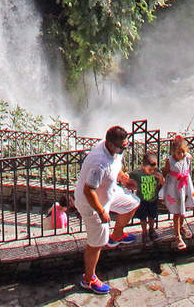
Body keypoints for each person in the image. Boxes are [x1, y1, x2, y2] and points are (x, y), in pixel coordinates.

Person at [72, 124, 140, 294]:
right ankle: (88, 280)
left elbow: (115, 168)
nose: (126, 148)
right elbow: (89, 191)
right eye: (123, 146)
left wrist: (123, 178)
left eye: (126, 145)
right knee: (96, 244)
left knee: (132, 203)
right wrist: (102, 212)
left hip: (108, 194)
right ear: (111, 144)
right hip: (92, 204)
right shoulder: (98, 163)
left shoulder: (112, 150)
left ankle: (116, 236)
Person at [161, 135, 194, 251]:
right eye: (178, 152)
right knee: (177, 212)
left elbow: (187, 169)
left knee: (183, 209)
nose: (180, 155)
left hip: (185, 186)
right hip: (174, 188)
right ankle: (177, 236)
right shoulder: (170, 161)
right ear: (173, 152)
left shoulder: (187, 158)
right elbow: (166, 172)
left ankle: (181, 226)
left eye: (182, 152)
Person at [133, 153, 163, 244]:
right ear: (143, 166)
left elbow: (162, 184)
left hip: (153, 199)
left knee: (152, 216)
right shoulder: (138, 174)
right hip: (142, 200)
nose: (152, 171)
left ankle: (151, 229)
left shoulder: (157, 172)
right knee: (143, 218)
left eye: (154, 169)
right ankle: (144, 232)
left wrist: (161, 179)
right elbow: (128, 178)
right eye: (150, 169)